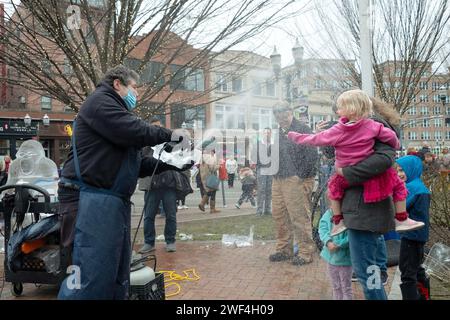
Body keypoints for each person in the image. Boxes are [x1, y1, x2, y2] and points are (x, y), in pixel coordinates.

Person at [57, 65, 190, 300]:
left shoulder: (118, 117)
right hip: (87, 199)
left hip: (107, 203)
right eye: (134, 87)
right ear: (117, 83)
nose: (136, 94)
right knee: (91, 276)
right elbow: (134, 130)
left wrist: (173, 163)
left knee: (116, 272)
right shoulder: (100, 102)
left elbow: (138, 164)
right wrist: (169, 135)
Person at [288, 90, 423, 236]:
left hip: (350, 182)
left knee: (333, 191)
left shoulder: (341, 128)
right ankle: (402, 218)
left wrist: (296, 136)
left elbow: (315, 140)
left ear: (351, 109)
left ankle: (338, 221)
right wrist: (396, 144)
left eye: (339, 109)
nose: (338, 113)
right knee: (398, 186)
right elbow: (390, 137)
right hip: (360, 188)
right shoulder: (373, 126)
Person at [269, 101, 318, 266]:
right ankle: (284, 249)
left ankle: (305, 252)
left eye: (283, 115)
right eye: (277, 115)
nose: (280, 119)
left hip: (296, 179)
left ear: (290, 112)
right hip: (278, 178)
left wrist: (301, 176)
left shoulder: (303, 129)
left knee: (299, 216)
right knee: (279, 215)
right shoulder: (277, 132)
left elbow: (312, 155)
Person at [138, 119, 184, 254]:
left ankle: (170, 241)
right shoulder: (145, 144)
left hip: (168, 185)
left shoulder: (169, 144)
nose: (156, 130)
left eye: (158, 127)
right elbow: (140, 161)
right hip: (151, 185)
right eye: (153, 127)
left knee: (171, 215)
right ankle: (149, 242)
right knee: (148, 216)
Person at [396, 156, 431, 300]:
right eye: (397, 170)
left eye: (402, 170)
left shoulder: (411, 188)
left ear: (412, 169)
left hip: (411, 236)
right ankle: (425, 297)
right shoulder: (420, 186)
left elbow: (398, 208)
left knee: (407, 273)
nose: (399, 174)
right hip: (419, 236)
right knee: (417, 270)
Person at [319, 208, 352, 300]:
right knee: (336, 287)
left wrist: (339, 244)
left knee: (346, 288)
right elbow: (322, 228)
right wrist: (328, 241)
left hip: (345, 260)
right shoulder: (328, 213)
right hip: (331, 259)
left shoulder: (349, 214)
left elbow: (352, 235)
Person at [255, 127, 273, 216]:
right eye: (265, 133)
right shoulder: (258, 144)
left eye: (269, 133)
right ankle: (259, 210)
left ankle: (267, 209)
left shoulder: (272, 145)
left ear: (271, 134)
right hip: (261, 169)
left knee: (269, 190)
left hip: (270, 170)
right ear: (263, 134)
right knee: (261, 190)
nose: (267, 134)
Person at [198, 149, 220, 214]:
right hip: (211, 177)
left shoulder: (201, 159)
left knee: (209, 191)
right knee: (212, 192)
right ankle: (207, 206)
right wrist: (218, 166)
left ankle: (208, 206)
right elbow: (212, 168)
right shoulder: (208, 159)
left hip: (204, 177)